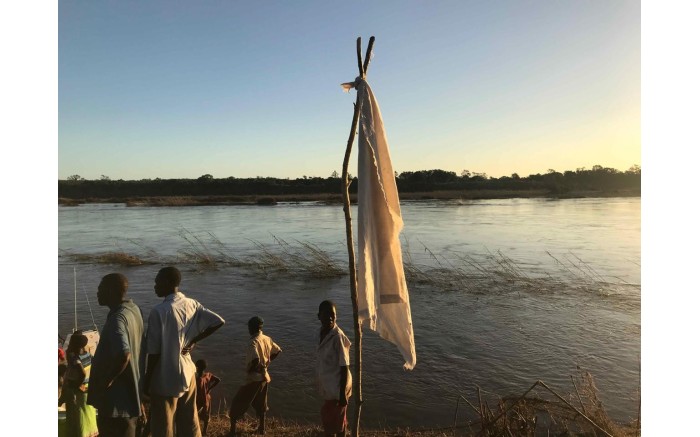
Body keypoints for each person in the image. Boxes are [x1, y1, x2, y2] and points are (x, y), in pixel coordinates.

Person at [143, 266, 225, 437]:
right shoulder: (191, 303)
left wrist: (147, 379)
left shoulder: (159, 311)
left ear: (168, 282)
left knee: (164, 425)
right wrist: (192, 340)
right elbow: (218, 321)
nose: (154, 286)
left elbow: (154, 352)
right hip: (188, 371)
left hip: (166, 376)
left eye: (157, 282)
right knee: (189, 422)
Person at [88, 273, 145, 437]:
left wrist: (106, 381)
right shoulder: (133, 310)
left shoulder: (117, 320)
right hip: (132, 398)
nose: (97, 293)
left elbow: (124, 354)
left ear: (112, 291)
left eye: (100, 289)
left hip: (116, 406)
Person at [228, 316, 282, 436]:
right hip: (264, 377)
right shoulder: (267, 338)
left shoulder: (253, 342)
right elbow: (277, 351)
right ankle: (262, 429)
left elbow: (255, 359)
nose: (248, 329)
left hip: (253, 378)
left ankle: (232, 432)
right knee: (261, 403)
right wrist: (267, 363)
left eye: (249, 327)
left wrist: (251, 370)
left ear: (252, 328)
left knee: (237, 403)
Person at [316, 300, 352, 437]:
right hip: (330, 386)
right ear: (319, 316)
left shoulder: (338, 337)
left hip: (338, 388)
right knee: (338, 420)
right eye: (326, 314)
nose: (330, 317)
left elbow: (344, 366)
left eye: (333, 314)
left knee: (330, 421)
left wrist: (342, 394)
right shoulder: (321, 333)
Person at [59, 331, 99, 437]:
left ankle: (81, 434)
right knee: (88, 412)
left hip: (79, 390)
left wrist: (77, 384)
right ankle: (92, 433)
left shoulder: (75, 358)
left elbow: (82, 372)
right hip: (88, 388)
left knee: (80, 414)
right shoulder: (88, 355)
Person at [195, 359, 221, 436]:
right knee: (206, 415)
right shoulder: (208, 375)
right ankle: (204, 431)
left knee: (195, 415)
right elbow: (218, 380)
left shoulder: (197, 379)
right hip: (206, 398)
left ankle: (197, 430)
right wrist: (209, 389)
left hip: (198, 399)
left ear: (197, 367)